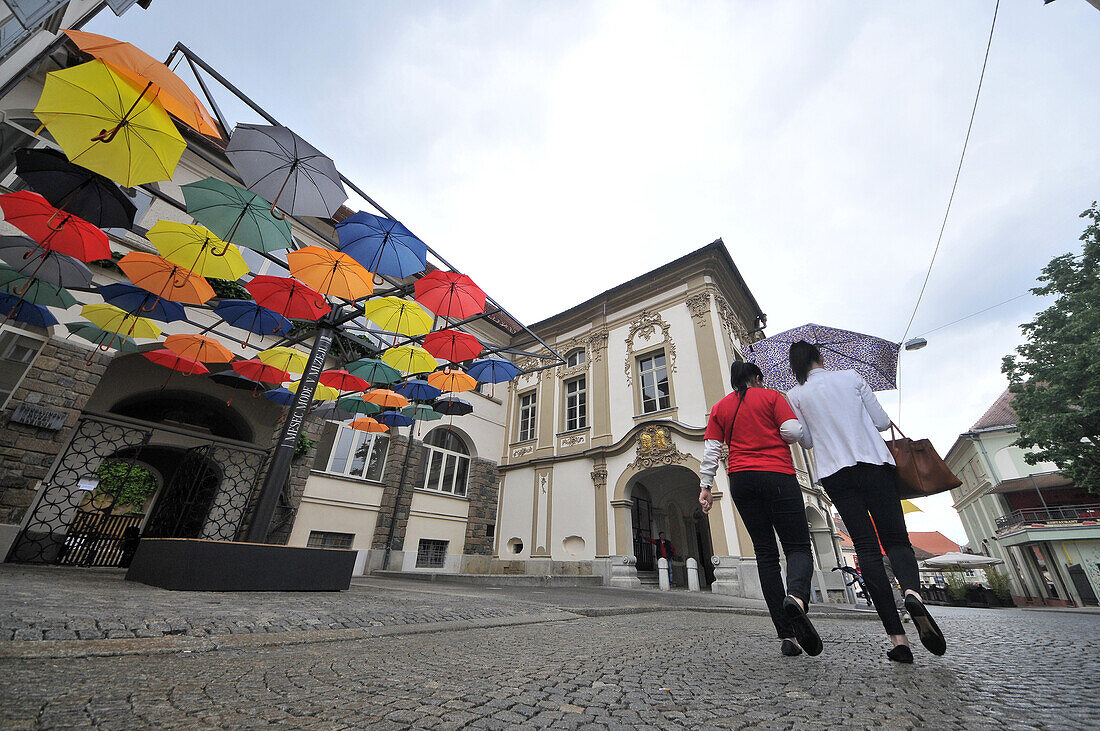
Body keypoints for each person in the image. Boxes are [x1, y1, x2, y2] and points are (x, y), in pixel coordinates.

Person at [785, 341, 946, 663]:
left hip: (835, 472)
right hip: (874, 463)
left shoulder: (795, 395)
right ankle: (913, 593)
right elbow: (883, 422)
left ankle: (898, 640)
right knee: (897, 540)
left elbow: (808, 439)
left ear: (794, 366)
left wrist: (799, 431)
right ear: (820, 357)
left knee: (866, 549)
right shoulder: (852, 376)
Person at [699, 361, 822, 657]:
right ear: (757, 378)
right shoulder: (772, 397)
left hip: (741, 479)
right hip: (777, 474)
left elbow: (712, 449)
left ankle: (787, 636)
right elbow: (792, 430)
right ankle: (796, 598)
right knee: (797, 547)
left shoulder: (721, 408)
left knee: (765, 553)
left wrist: (705, 486)